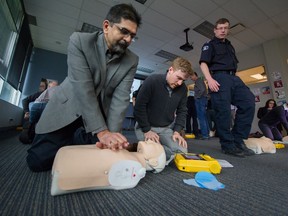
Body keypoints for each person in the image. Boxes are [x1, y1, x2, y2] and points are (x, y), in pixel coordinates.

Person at [26, 3, 142, 172]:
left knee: (99, 160)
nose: (128, 40)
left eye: (133, 36)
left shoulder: (132, 60)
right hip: (68, 108)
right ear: (107, 26)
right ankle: (35, 134)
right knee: (37, 163)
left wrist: (113, 139)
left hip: (97, 117)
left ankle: (77, 137)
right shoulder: (79, 41)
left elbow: (120, 100)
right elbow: (84, 90)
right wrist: (103, 133)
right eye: (124, 32)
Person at [199, 18, 255, 157]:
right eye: (220, 28)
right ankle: (227, 145)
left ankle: (238, 139)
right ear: (215, 30)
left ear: (228, 30)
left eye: (225, 28)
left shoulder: (230, 45)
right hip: (219, 78)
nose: (223, 30)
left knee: (248, 102)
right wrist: (209, 79)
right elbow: (203, 63)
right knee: (223, 111)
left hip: (234, 78)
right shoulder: (209, 45)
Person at [133, 57, 194, 164]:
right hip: (146, 127)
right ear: (170, 70)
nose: (180, 83)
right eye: (178, 78)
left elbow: (182, 111)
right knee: (152, 153)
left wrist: (177, 131)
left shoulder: (183, 89)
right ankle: (148, 148)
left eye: (183, 80)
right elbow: (139, 107)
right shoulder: (152, 81)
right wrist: (147, 130)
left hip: (166, 128)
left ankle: (154, 149)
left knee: (182, 151)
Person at [19, 78, 48, 144]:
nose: (41, 88)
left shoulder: (52, 94)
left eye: (43, 86)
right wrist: (26, 112)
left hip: (46, 118)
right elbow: (25, 100)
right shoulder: (39, 94)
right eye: (40, 86)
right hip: (36, 117)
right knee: (25, 138)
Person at [190, 72, 210, 139]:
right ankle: (207, 134)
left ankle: (205, 135)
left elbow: (202, 90)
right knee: (204, 118)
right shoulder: (200, 80)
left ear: (194, 75)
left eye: (191, 76)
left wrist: (197, 97)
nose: (191, 78)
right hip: (203, 99)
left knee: (201, 118)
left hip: (200, 100)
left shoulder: (198, 80)